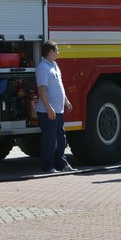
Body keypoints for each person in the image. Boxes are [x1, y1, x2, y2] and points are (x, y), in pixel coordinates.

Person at [35, 41, 74, 173]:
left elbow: (59, 86)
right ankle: (48, 166)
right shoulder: (43, 68)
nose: (58, 52)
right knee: (50, 140)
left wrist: (66, 101)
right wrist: (49, 108)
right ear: (50, 52)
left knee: (61, 139)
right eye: (56, 50)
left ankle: (61, 164)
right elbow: (41, 90)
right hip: (48, 111)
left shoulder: (55, 66)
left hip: (58, 110)